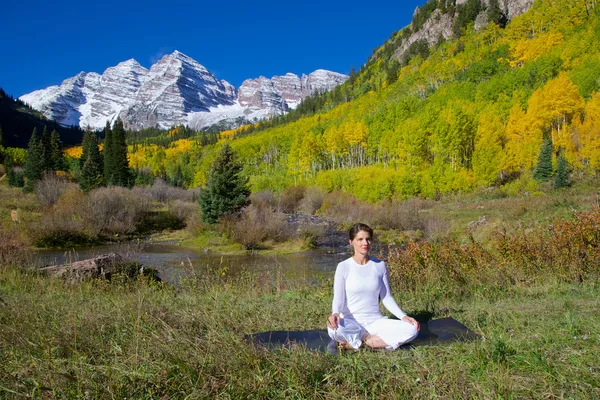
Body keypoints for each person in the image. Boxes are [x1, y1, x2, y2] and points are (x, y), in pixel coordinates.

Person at [326, 223, 420, 350]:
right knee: (334, 330)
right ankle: (368, 339)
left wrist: (403, 316)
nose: (365, 243)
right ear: (351, 242)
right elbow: (338, 298)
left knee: (412, 329)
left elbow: (386, 297)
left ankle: (359, 343)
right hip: (351, 322)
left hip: (376, 322)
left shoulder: (379, 265)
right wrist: (335, 314)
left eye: (368, 239)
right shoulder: (343, 267)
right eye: (360, 239)